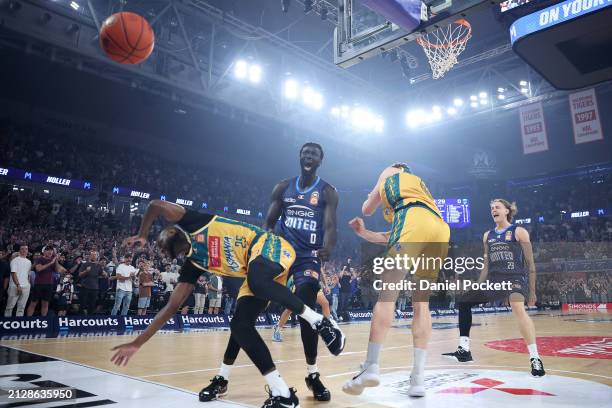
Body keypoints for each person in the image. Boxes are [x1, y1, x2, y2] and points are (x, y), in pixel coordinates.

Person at [110, 200, 344, 408]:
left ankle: (320, 322)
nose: (158, 248)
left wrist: (143, 233)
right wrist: (137, 343)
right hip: (254, 269)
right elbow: (171, 307)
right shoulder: (193, 265)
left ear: (173, 232)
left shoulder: (194, 221)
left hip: (270, 247)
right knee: (240, 325)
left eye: (160, 244)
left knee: (256, 278)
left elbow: (155, 205)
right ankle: (281, 392)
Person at [201, 142, 339, 403]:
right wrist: (262, 251)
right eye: (305, 153)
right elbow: (267, 224)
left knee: (307, 303)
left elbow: (331, 225)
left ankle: (313, 374)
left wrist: (328, 248)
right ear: (300, 157)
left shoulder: (328, 191)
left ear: (321, 160)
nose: (309, 156)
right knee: (244, 314)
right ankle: (222, 377)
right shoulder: (283, 187)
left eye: (314, 154)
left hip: (307, 258)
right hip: (280, 254)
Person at [343, 163, 450, 398]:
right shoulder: (418, 189)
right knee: (421, 304)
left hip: (413, 219)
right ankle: (418, 379)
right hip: (439, 229)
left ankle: (371, 365)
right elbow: (399, 232)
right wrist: (364, 234)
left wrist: (371, 197)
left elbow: (367, 208)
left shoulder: (391, 172)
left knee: (387, 296)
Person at [441, 199, 545, 377]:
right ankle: (464, 350)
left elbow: (531, 264)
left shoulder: (519, 232)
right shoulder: (487, 235)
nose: (493, 210)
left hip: (515, 279)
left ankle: (535, 358)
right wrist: (477, 286)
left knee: (517, 307)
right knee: (465, 302)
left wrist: (533, 290)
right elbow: (486, 266)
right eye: (491, 208)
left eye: (497, 207)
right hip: (495, 282)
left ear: (507, 211)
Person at [27, 245, 67, 316]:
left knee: (45, 304)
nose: (50, 252)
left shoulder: (53, 260)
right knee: (33, 303)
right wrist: (51, 263)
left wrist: (56, 260)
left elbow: (57, 270)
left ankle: (44, 320)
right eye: (48, 250)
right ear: (44, 251)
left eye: (51, 250)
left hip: (49, 284)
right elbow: (38, 269)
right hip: (38, 284)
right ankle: (28, 320)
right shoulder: (40, 259)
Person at [5, 244, 32, 317]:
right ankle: (7, 324)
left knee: (21, 307)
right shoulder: (14, 260)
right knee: (10, 307)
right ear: (19, 250)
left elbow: (28, 274)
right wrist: (18, 285)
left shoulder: (29, 262)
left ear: (27, 251)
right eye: (22, 249)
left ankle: (18, 324)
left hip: (26, 287)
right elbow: (13, 273)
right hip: (15, 286)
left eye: (26, 249)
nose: (24, 250)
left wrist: (28, 284)